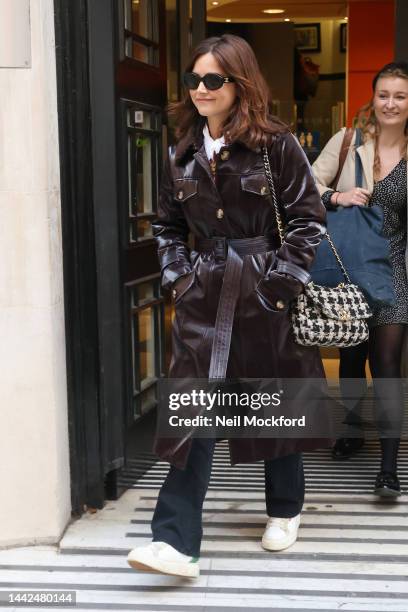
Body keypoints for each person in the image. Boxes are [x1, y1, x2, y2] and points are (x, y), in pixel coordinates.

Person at [127, 34, 328, 578]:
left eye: (212, 79)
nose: (199, 89)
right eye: (193, 79)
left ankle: (285, 508)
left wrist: (276, 289)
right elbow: (167, 226)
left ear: (239, 84)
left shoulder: (276, 144)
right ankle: (174, 541)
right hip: (204, 292)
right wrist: (179, 278)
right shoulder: (182, 151)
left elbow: (308, 220)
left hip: (263, 287)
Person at [312, 61, 408, 496]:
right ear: (373, 98)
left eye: (400, 96)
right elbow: (305, 184)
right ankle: (351, 431)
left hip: (395, 272)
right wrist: (338, 195)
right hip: (351, 269)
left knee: (386, 365)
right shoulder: (348, 141)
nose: (391, 103)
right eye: (384, 94)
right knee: (351, 357)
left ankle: (388, 468)